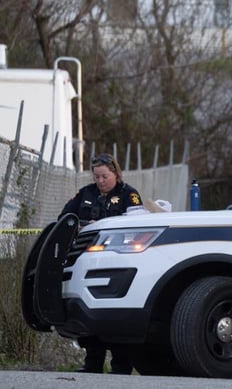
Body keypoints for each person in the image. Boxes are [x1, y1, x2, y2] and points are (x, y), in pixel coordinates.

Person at [59, 153, 142, 374]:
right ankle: (92, 362)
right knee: (88, 312)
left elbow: (138, 226)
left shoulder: (129, 195)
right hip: (86, 261)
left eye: (104, 176)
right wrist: (80, 225)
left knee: (116, 315)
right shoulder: (86, 194)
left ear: (115, 173)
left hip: (119, 262)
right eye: (97, 177)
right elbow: (65, 218)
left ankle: (121, 366)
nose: (100, 181)